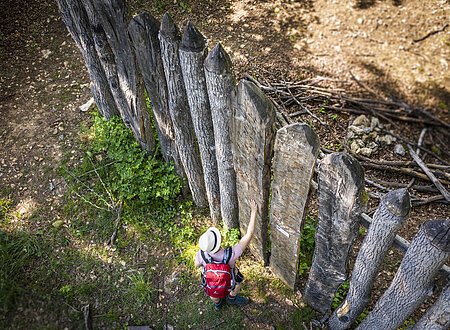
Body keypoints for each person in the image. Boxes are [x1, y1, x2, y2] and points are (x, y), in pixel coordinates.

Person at [194, 199, 258, 310]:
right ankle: (231, 298)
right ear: (219, 242)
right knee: (237, 283)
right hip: (229, 282)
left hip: (212, 283)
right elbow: (249, 234)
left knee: (213, 294)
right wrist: (254, 211)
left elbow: (196, 265)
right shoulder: (231, 253)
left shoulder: (201, 254)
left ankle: (218, 304)